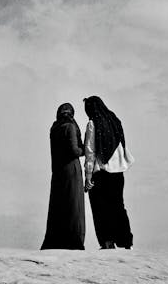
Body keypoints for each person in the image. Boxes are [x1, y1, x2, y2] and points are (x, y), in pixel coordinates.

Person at [83, 95, 134, 249]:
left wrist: (88, 176)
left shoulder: (93, 124)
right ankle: (126, 242)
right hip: (118, 173)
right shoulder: (115, 121)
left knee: (100, 209)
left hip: (101, 173)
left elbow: (90, 151)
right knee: (118, 206)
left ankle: (107, 242)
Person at [41, 102, 86, 250]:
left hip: (58, 172)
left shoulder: (54, 128)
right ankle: (74, 241)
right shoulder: (70, 126)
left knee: (59, 206)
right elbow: (74, 151)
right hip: (71, 170)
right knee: (74, 206)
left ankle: (57, 241)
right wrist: (85, 150)